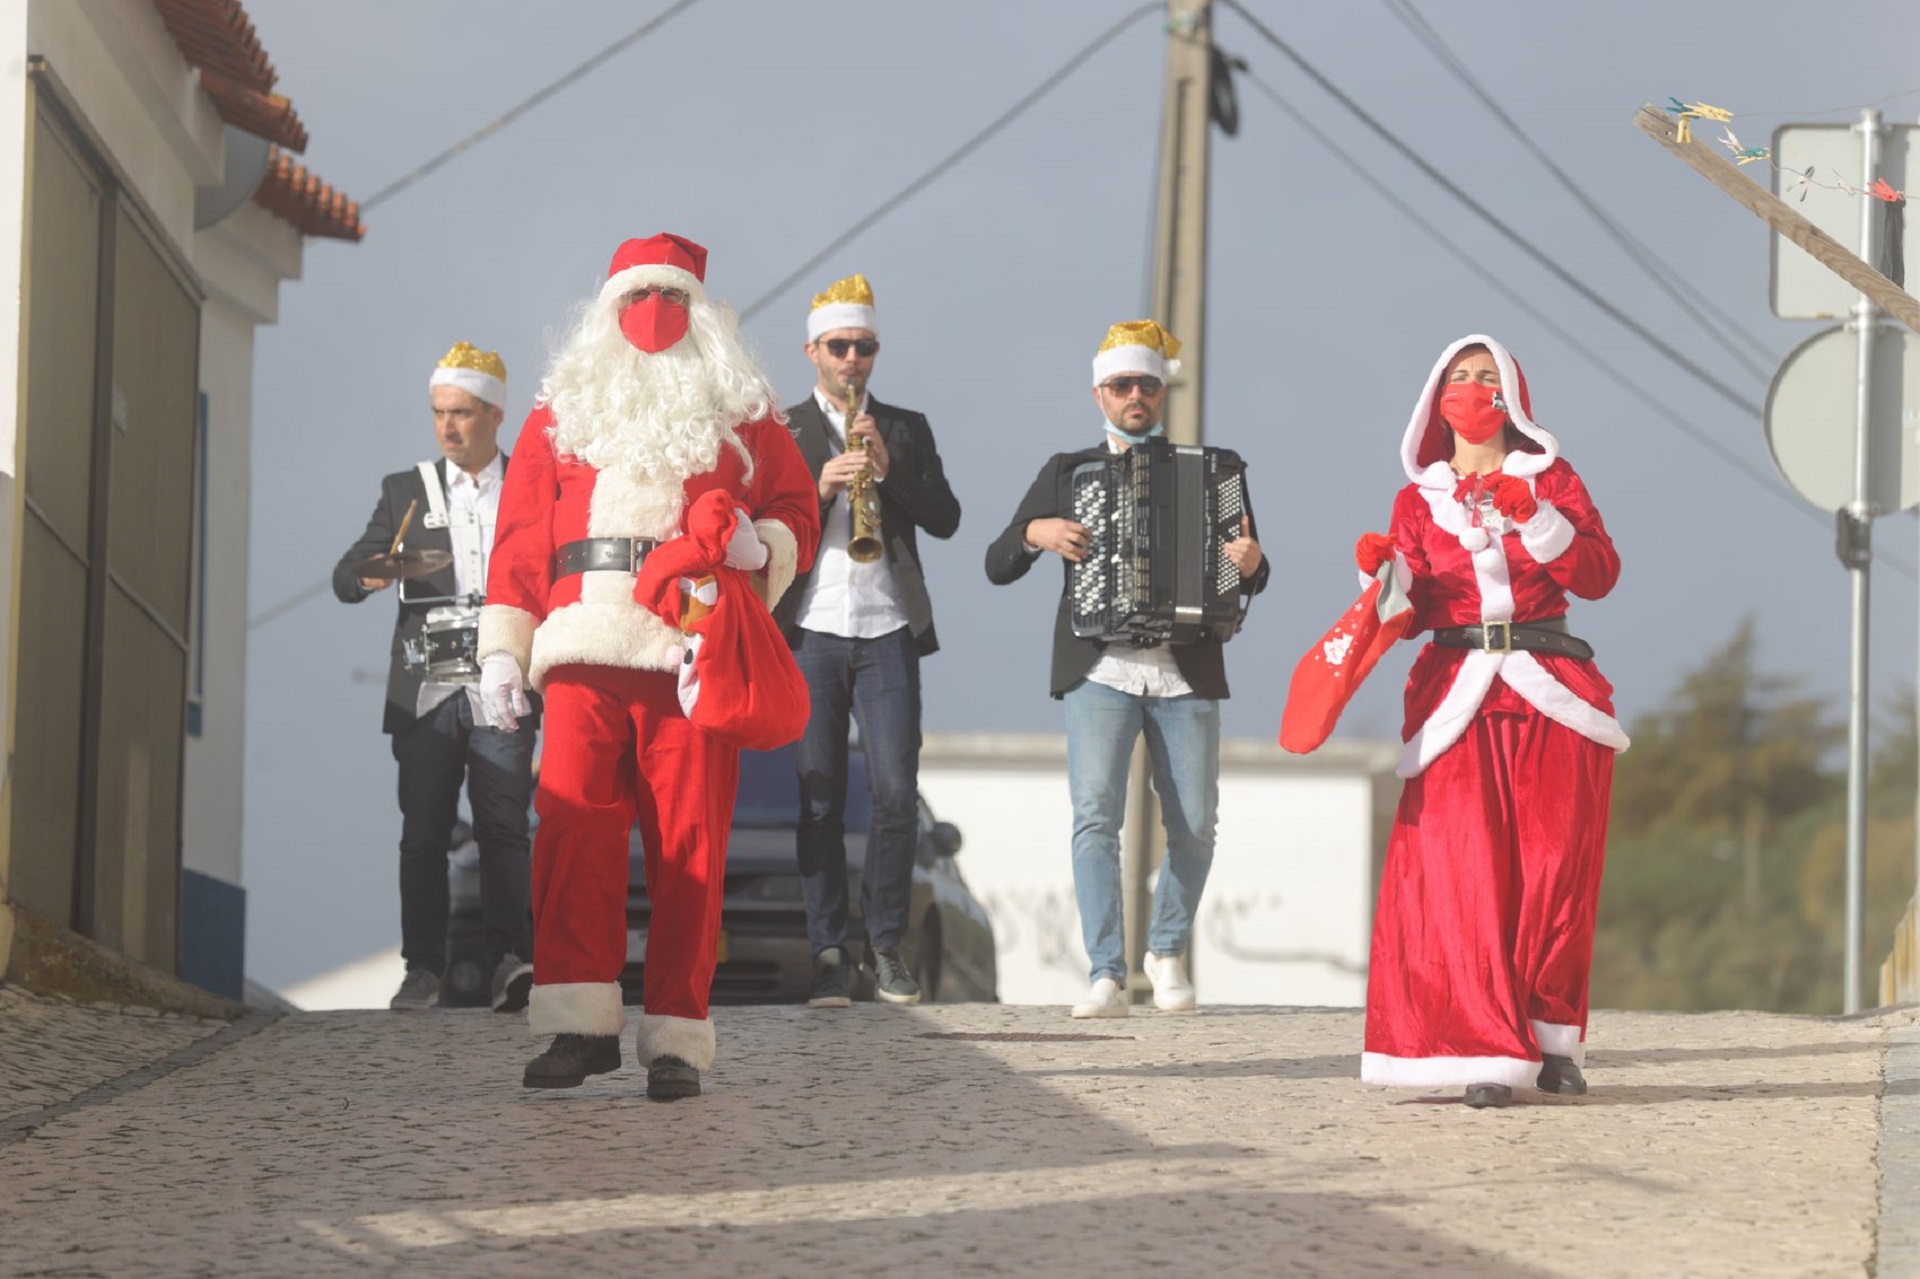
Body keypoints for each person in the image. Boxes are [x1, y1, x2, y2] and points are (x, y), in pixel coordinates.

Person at [476, 232, 819, 1099]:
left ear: (703, 318)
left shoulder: (743, 414)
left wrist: (757, 543)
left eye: (667, 302)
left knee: (690, 848)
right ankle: (577, 1026)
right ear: (607, 311)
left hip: (687, 647)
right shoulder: (562, 410)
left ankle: (675, 1034)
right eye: (635, 302)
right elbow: (518, 539)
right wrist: (502, 652)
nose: (651, 321)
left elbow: (796, 509)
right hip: (583, 642)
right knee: (572, 837)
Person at [1355, 334, 1627, 1108]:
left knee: (1552, 875)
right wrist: (1386, 572)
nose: (1471, 390)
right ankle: (1479, 1046)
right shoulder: (1418, 501)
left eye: (1486, 377)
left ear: (1511, 396)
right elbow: (1405, 616)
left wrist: (1540, 519)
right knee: (1464, 873)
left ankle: (1551, 1037)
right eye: (1458, 378)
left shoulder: (1555, 479)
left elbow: (1601, 574)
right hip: (1456, 694)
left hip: (1551, 689)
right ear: (1437, 401)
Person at [984, 320, 1267, 1018]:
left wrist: (1253, 566)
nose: (1134, 394)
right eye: (1121, 385)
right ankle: (1105, 970)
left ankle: (1165, 950)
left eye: (1145, 383)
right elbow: (996, 563)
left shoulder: (1215, 472)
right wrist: (1033, 533)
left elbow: (1251, 570)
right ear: (1098, 393)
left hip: (1185, 672)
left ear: (1161, 391)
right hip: (1101, 670)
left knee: (1196, 823)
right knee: (1094, 820)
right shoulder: (1065, 471)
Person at [773, 274, 961, 1009]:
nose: (854, 359)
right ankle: (827, 951)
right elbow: (763, 529)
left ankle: (884, 946)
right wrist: (818, 488)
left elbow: (945, 516)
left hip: (887, 628)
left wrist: (889, 469)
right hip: (812, 629)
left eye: (865, 347)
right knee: (818, 794)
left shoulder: (906, 425)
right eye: (841, 346)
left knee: (893, 793)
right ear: (813, 350)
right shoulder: (783, 430)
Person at [332, 342, 537, 1014]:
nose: (448, 426)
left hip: (502, 671)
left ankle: (514, 958)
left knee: (503, 823)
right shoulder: (407, 489)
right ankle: (422, 969)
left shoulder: (529, 482)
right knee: (423, 832)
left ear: (495, 413)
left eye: (462, 412)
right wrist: (378, 572)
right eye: (438, 413)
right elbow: (348, 572)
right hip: (426, 678)